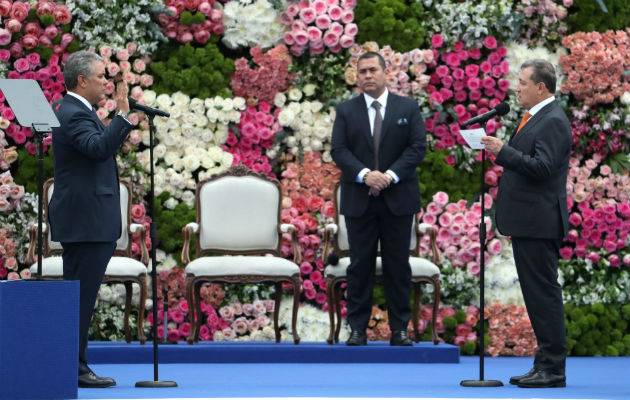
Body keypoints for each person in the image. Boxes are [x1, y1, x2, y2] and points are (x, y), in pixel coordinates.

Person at [481, 59, 571, 388]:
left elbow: (543, 167)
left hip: (539, 221)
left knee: (543, 294)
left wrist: (503, 152)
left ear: (541, 87)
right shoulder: (537, 117)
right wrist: (502, 151)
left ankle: (553, 369)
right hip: (528, 221)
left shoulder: (553, 120)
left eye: (521, 82)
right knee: (536, 295)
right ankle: (544, 363)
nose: (516, 88)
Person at [49, 50, 133, 388]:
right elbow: (98, 148)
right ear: (81, 80)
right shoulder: (73, 113)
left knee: (81, 296)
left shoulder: (74, 109)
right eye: (101, 76)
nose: (106, 82)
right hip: (86, 221)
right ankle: (75, 368)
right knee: (81, 298)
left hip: (87, 219)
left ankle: (74, 364)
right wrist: (123, 117)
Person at [331, 52, 426, 346]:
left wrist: (389, 176)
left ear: (385, 73)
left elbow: (417, 147)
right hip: (360, 199)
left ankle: (399, 330)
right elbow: (339, 150)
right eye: (362, 72)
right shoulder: (346, 111)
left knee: (399, 265)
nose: (367, 75)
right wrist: (364, 174)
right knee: (360, 265)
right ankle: (357, 329)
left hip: (398, 198)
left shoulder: (407, 108)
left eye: (373, 70)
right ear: (356, 77)